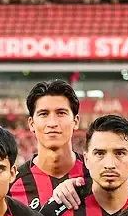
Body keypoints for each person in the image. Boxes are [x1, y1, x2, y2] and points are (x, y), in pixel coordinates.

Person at [8, 80, 86, 209]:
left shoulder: (94, 177)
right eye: (43, 114)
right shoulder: (12, 185)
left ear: (76, 121)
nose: (52, 123)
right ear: (31, 124)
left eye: (61, 113)